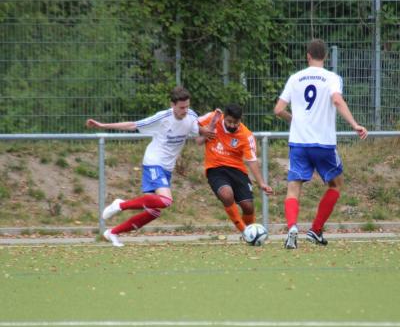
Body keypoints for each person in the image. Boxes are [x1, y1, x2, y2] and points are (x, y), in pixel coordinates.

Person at [86, 86, 213, 247]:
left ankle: (112, 233)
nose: (185, 110)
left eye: (187, 106)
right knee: (166, 201)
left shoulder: (191, 116)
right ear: (172, 105)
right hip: (154, 162)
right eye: (182, 107)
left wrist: (213, 121)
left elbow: (198, 133)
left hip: (166, 168)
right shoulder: (162, 117)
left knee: (153, 211)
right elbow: (133, 125)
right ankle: (120, 205)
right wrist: (103, 126)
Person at [274, 38, 368, 249]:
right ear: (325, 56)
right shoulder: (331, 77)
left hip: (298, 142)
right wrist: (355, 124)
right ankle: (315, 229)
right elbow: (336, 100)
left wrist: (294, 120)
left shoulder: (295, 78)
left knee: (293, 188)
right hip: (323, 143)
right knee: (336, 184)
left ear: (307, 55)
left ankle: (291, 227)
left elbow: (278, 109)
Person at [197, 103, 273, 235]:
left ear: (241, 120)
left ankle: (251, 233)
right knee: (227, 195)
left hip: (237, 170)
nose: (232, 125)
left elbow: (252, 160)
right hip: (215, 169)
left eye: (235, 122)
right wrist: (204, 131)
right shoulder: (213, 118)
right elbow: (192, 126)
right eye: (229, 121)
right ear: (224, 117)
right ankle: (246, 233)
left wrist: (261, 183)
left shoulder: (246, 135)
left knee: (248, 207)